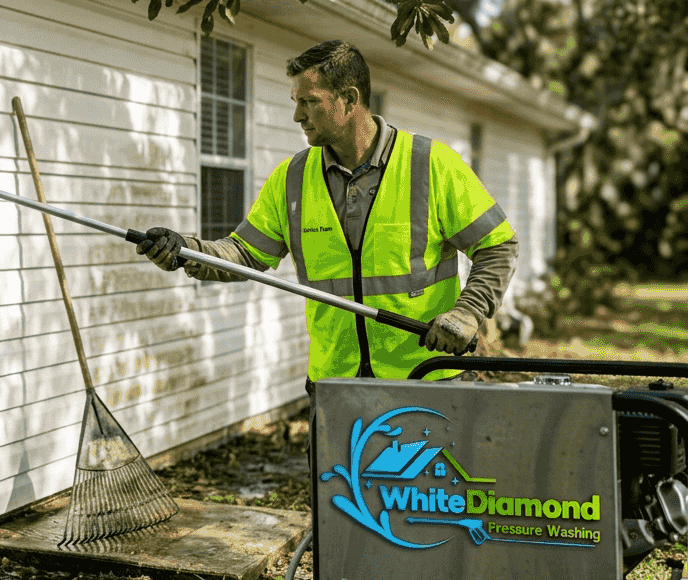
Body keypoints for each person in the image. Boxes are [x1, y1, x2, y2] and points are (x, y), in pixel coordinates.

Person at [138, 40, 518, 389]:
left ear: (349, 99)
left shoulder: (431, 164)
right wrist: (184, 250)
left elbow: (499, 244)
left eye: (309, 102)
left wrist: (468, 313)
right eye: (296, 101)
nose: (297, 116)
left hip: (428, 380)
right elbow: (244, 254)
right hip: (337, 385)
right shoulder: (293, 179)